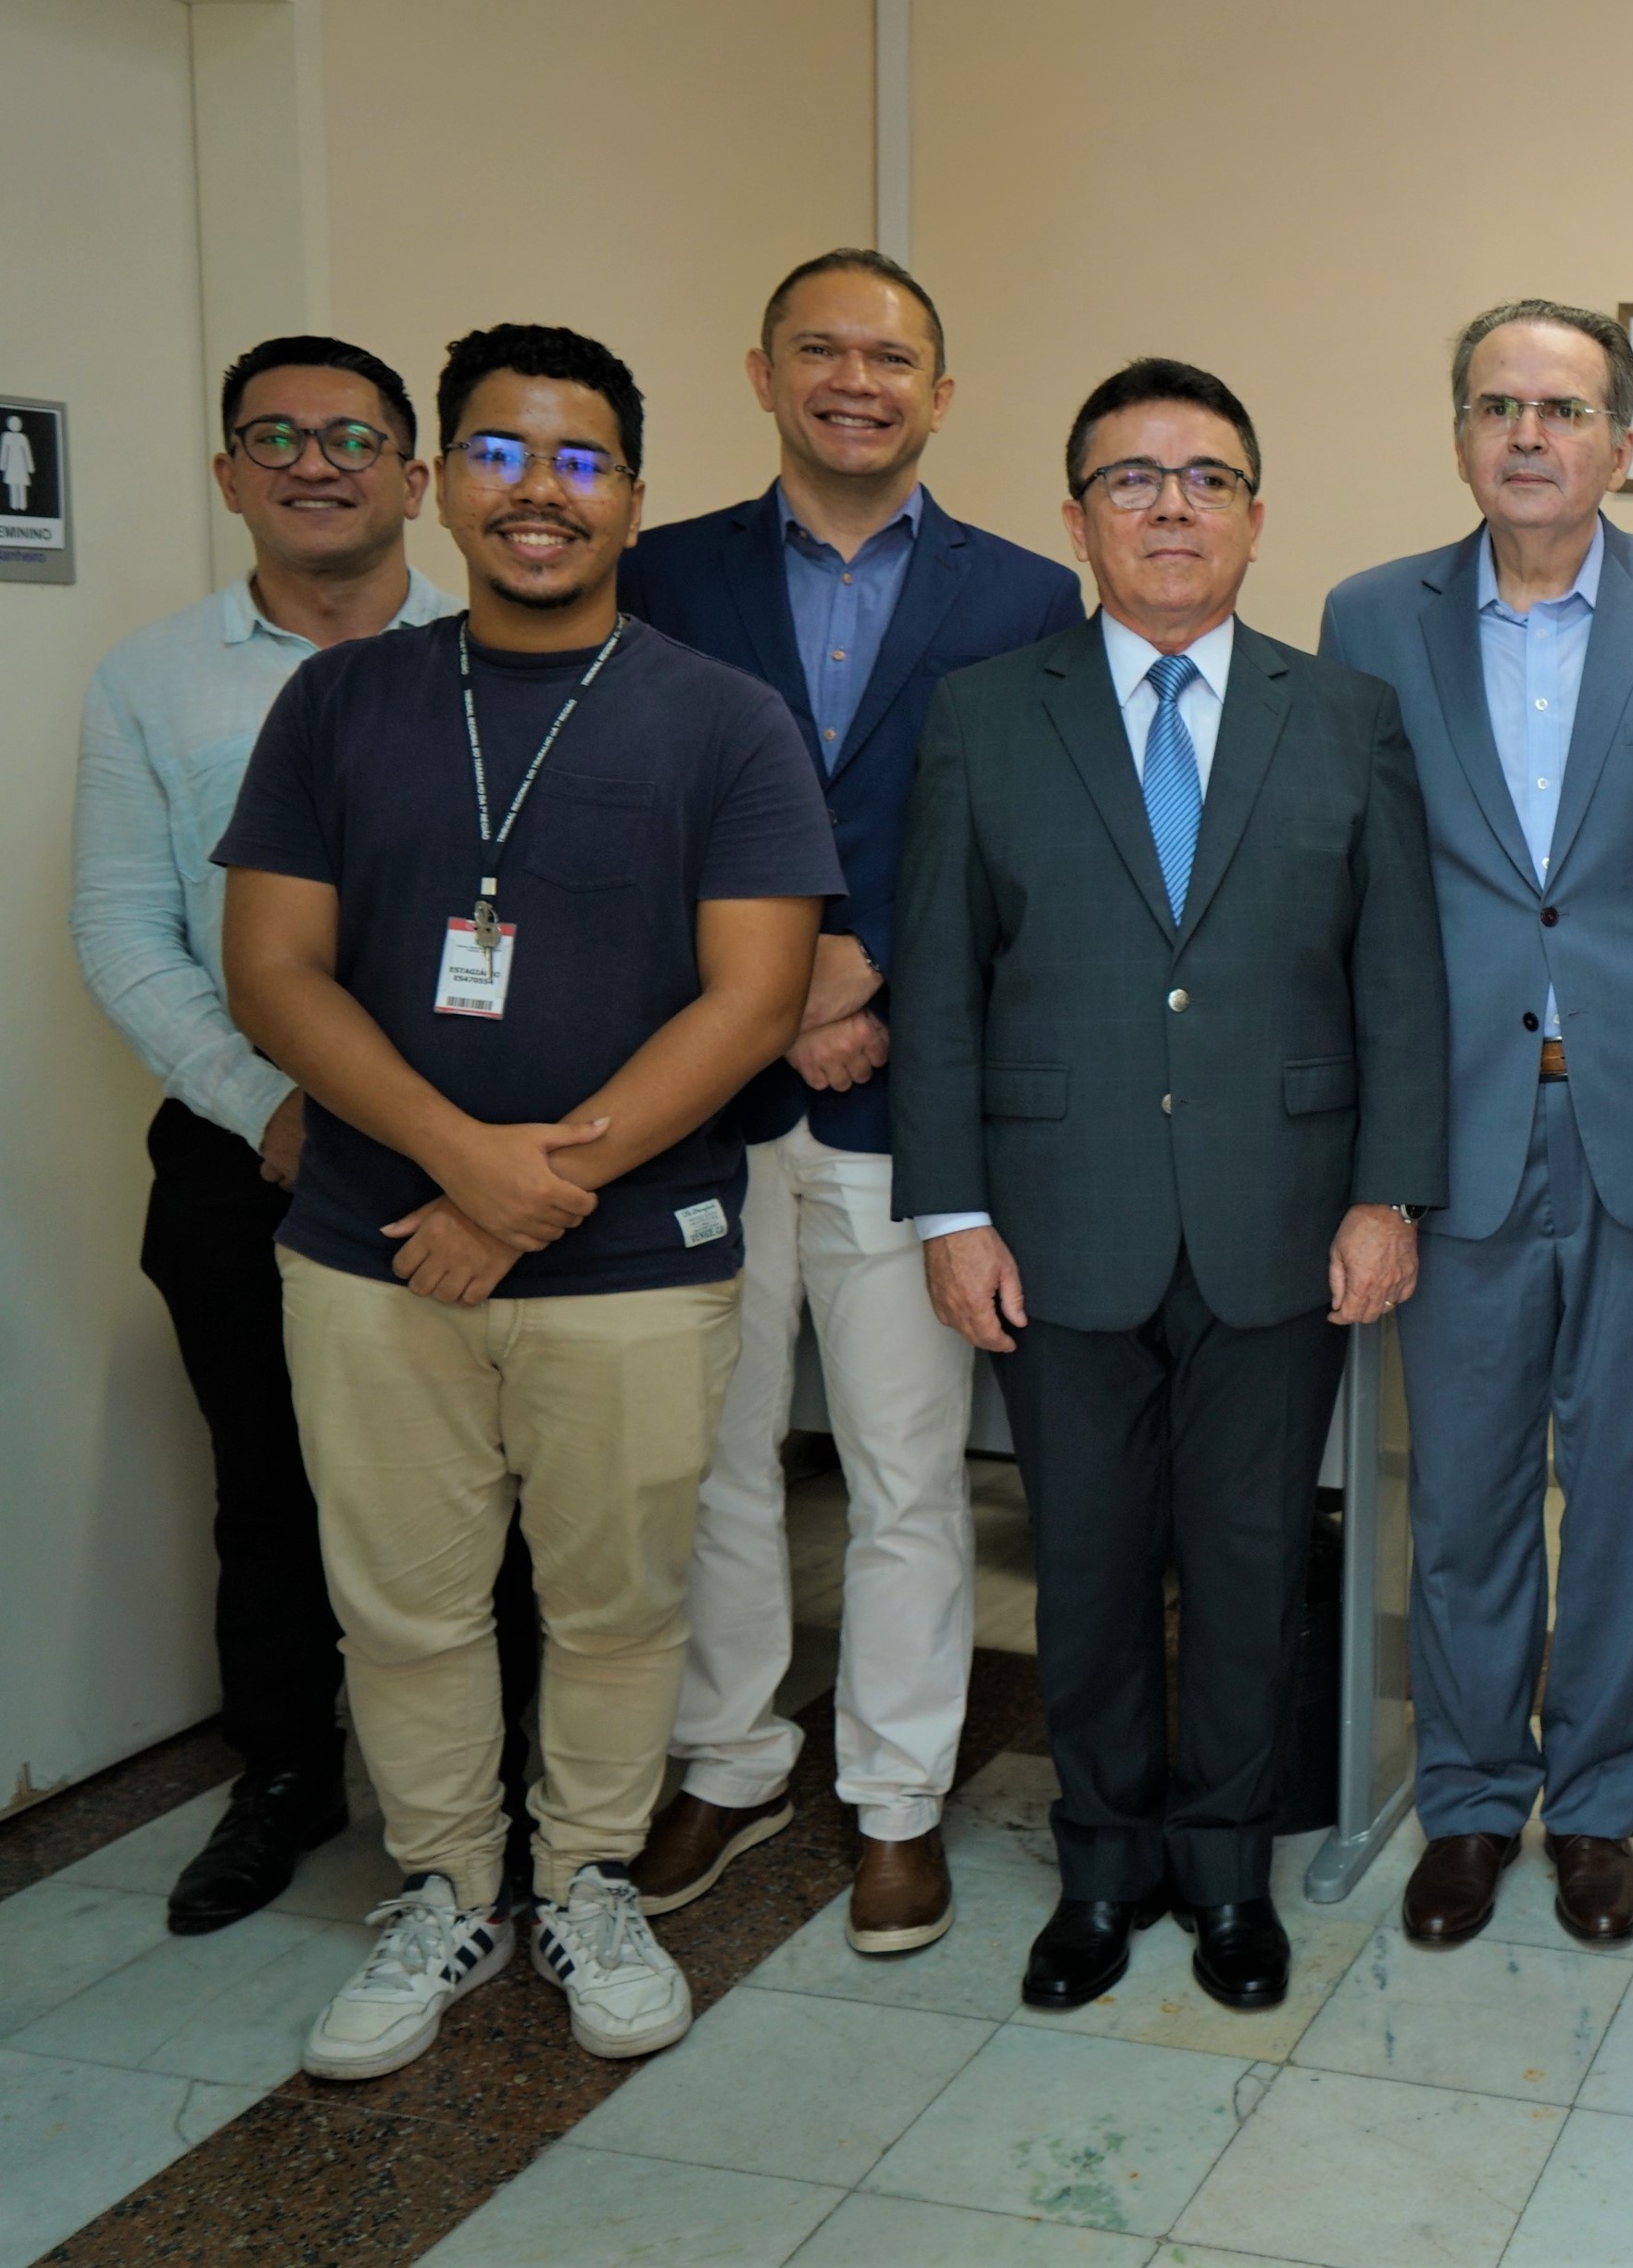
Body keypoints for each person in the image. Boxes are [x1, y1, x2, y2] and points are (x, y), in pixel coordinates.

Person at [217, 322, 841, 2081]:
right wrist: (459, 1160)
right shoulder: (340, 701)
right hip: (373, 1250)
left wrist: (528, 1187)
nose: (538, 493)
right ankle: (441, 1889)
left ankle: (583, 1879)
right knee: (403, 1603)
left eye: (578, 461)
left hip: (634, 1261)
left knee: (619, 1600)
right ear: (443, 484)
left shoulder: (725, 719)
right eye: (499, 454)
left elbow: (752, 1000)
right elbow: (273, 971)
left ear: (632, 494)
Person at [890, 358, 1447, 2017]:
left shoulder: (1340, 715)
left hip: (1284, 1223)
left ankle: (1226, 1875)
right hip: (1057, 1229)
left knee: (1254, 1559)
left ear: (1259, 519)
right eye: (1132, 481)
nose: (1172, 508)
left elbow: (1396, 979)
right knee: (1089, 1562)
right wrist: (950, 1209)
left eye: (1208, 479)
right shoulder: (989, 715)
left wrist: (1386, 1193)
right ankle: (1102, 1866)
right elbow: (937, 985)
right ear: (1077, 520)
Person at [615, 248, 1081, 1955]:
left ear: (941, 395)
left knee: (903, 1472)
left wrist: (857, 970)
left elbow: (1024, 832)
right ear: (762, 373)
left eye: (893, 358)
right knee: (714, 1466)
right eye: (821, 349)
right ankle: (726, 1764)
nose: (857, 380)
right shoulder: (659, 576)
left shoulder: (1026, 594)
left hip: (907, 1096)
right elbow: (623, 811)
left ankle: (896, 1799)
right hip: (696, 1099)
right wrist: (768, 993)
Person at [69, 336, 546, 1937]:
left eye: (354, 435)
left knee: (508, 1491)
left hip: (489, 1147)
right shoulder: (154, 679)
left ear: (417, 478)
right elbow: (126, 930)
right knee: (270, 1488)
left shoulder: (512, 647)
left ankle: (527, 1792)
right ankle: (283, 1776)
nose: (313, 461)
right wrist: (266, 1102)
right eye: (270, 436)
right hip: (249, 1149)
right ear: (227, 477)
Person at [1319, 300, 1633, 1953]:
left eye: (1565, 408)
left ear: (1621, 438)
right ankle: (1468, 1805)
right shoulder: (1370, 619)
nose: (1531, 434)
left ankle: (1593, 1810)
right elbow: (1361, 901)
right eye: (1500, 404)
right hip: (1458, 1136)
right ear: (1459, 432)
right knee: (1470, 1503)